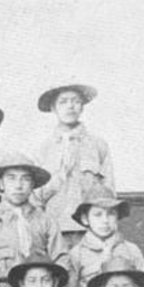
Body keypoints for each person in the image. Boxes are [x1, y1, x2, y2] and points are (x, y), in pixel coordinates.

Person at [0, 153, 68, 287]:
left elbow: (62, 260)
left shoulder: (46, 221)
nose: (18, 185)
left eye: (25, 179)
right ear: (1, 184)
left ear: (33, 185)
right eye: (11, 178)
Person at [34, 84, 114, 240]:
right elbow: (35, 195)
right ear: (53, 108)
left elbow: (109, 189)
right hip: (54, 228)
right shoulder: (44, 148)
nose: (70, 106)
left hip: (90, 230)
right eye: (63, 102)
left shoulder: (98, 145)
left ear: (82, 107)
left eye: (76, 101)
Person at [67, 186, 144, 287]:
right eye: (98, 214)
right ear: (85, 219)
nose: (105, 220)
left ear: (117, 216)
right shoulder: (77, 254)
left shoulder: (131, 250)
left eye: (111, 213)